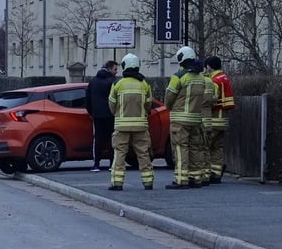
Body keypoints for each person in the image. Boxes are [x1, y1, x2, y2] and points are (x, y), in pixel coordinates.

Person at [164, 46, 213, 189]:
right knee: (196, 148)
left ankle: (181, 179)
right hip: (196, 119)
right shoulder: (201, 78)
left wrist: (170, 107)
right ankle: (196, 178)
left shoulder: (178, 77)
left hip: (180, 120)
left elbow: (169, 98)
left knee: (181, 148)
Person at [107, 53, 154, 191]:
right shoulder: (144, 84)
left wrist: (118, 114)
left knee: (120, 154)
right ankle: (148, 182)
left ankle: (117, 183)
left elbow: (111, 104)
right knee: (143, 154)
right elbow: (149, 104)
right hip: (140, 126)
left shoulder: (117, 84)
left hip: (121, 126)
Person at [204, 56, 234, 184]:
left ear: (209, 66)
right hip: (223, 120)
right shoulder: (224, 78)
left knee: (206, 146)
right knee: (217, 148)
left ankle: (205, 173)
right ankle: (216, 173)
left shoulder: (214, 81)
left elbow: (211, 100)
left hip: (214, 119)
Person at [85, 60, 118, 171]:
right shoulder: (113, 81)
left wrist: (91, 112)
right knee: (112, 138)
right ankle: (112, 163)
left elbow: (87, 99)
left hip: (97, 115)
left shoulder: (93, 81)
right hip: (111, 114)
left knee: (98, 138)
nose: (116, 72)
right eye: (115, 69)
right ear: (109, 69)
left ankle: (96, 164)